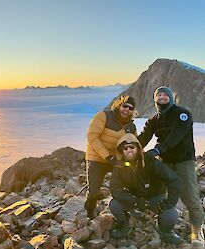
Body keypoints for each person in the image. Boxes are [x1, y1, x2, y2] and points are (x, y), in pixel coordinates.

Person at [138, 86, 205, 247]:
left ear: (170, 97)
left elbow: (176, 136)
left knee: (190, 195)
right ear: (155, 99)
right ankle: (165, 226)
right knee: (160, 194)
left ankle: (197, 231)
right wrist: (129, 149)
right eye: (158, 95)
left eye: (164, 94)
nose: (161, 97)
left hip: (184, 162)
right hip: (165, 162)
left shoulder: (182, 114)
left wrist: (158, 149)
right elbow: (144, 137)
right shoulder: (154, 120)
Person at [109, 133, 182, 245]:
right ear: (121, 151)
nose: (129, 150)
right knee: (114, 205)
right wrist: (134, 201)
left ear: (138, 148)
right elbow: (115, 189)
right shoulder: (119, 167)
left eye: (132, 147)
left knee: (171, 215)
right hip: (135, 200)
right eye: (125, 148)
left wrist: (168, 203)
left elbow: (174, 180)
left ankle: (165, 230)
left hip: (155, 198)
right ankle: (124, 224)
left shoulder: (151, 161)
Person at [85, 95, 137, 219]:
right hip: (97, 158)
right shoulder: (103, 116)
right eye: (125, 106)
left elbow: (135, 144)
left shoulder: (131, 126)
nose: (126, 110)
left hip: (116, 160)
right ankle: (90, 211)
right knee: (93, 190)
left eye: (130, 108)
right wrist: (108, 157)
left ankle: (126, 210)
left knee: (129, 183)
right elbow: (92, 136)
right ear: (119, 105)